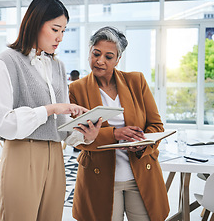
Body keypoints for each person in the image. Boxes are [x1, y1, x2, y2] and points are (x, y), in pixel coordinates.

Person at [0, 0, 102, 221]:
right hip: (21, 155)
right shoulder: (6, 62)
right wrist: (50, 109)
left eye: (64, 31)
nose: (60, 37)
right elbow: (2, 124)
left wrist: (85, 136)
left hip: (56, 157)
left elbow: (61, 128)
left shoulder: (58, 66)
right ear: (35, 23)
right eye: (55, 29)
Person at [69, 26, 169, 221]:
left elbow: (156, 126)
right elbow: (76, 137)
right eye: (96, 54)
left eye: (108, 56)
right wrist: (115, 134)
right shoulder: (76, 89)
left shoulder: (136, 81)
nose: (100, 61)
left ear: (118, 59)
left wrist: (142, 145)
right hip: (99, 178)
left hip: (140, 174)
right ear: (89, 51)